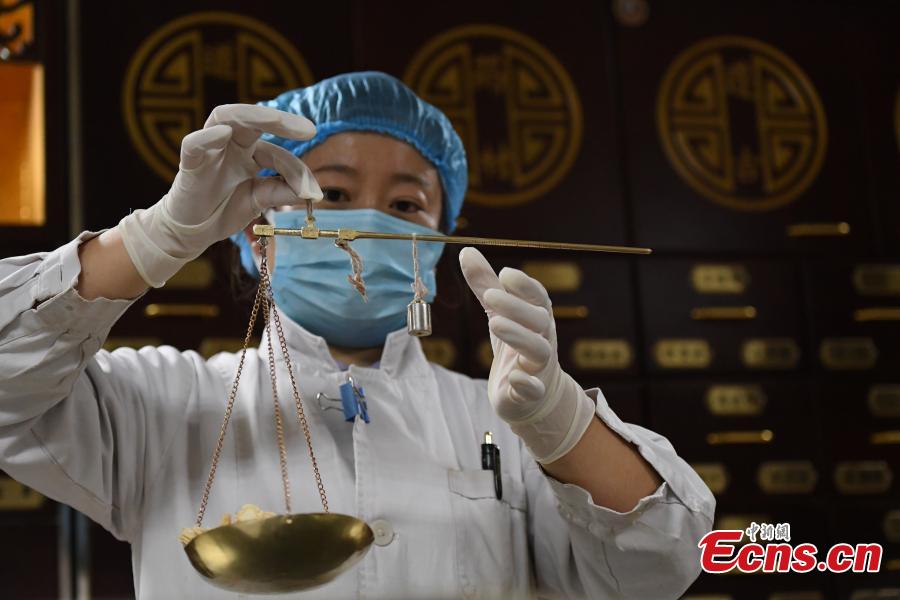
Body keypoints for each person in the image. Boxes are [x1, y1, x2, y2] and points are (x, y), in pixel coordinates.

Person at [0, 72, 714, 599]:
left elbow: (666, 561)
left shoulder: (501, 420)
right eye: (333, 195)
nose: (367, 224)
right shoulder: (164, 402)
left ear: (437, 240)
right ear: (258, 229)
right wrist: (152, 239)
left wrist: (559, 420)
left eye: (406, 204)